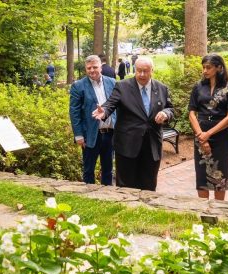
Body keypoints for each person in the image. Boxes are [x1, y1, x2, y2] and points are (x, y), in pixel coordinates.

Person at [92, 57, 174, 191]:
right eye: (139, 71)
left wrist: (166, 113)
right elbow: (110, 103)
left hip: (152, 145)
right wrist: (104, 111)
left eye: (145, 71)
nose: (142, 74)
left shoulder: (161, 88)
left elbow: (170, 108)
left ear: (152, 70)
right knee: (126, 185)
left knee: (149, 183)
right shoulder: (122, 86)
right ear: (135, 70)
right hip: (127, 145)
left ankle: (146, 209)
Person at [188, 54, 228, 200]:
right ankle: (204, 212)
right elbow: (191, 113)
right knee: (202, 176)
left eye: (208, 67)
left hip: (221, 136)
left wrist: (208, 134)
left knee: (220, 177)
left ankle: (218, 211)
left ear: (219, 67)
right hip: (200, 133)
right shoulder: (198, 87)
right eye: (203, 67)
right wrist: (202, 137)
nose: (204, 71)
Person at [69, 55, 117, 185]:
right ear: (85, 69)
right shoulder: (78, 86)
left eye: (95, 67)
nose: (92, 70)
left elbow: (118, 105)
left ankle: (107, 196)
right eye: (89, 68)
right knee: (88, 169)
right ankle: (89, 196)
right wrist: (78, 135)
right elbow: (75, 113)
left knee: (108, 169)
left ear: (101, 67)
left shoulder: (112, 82)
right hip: (90, 135)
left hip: (110, 133)